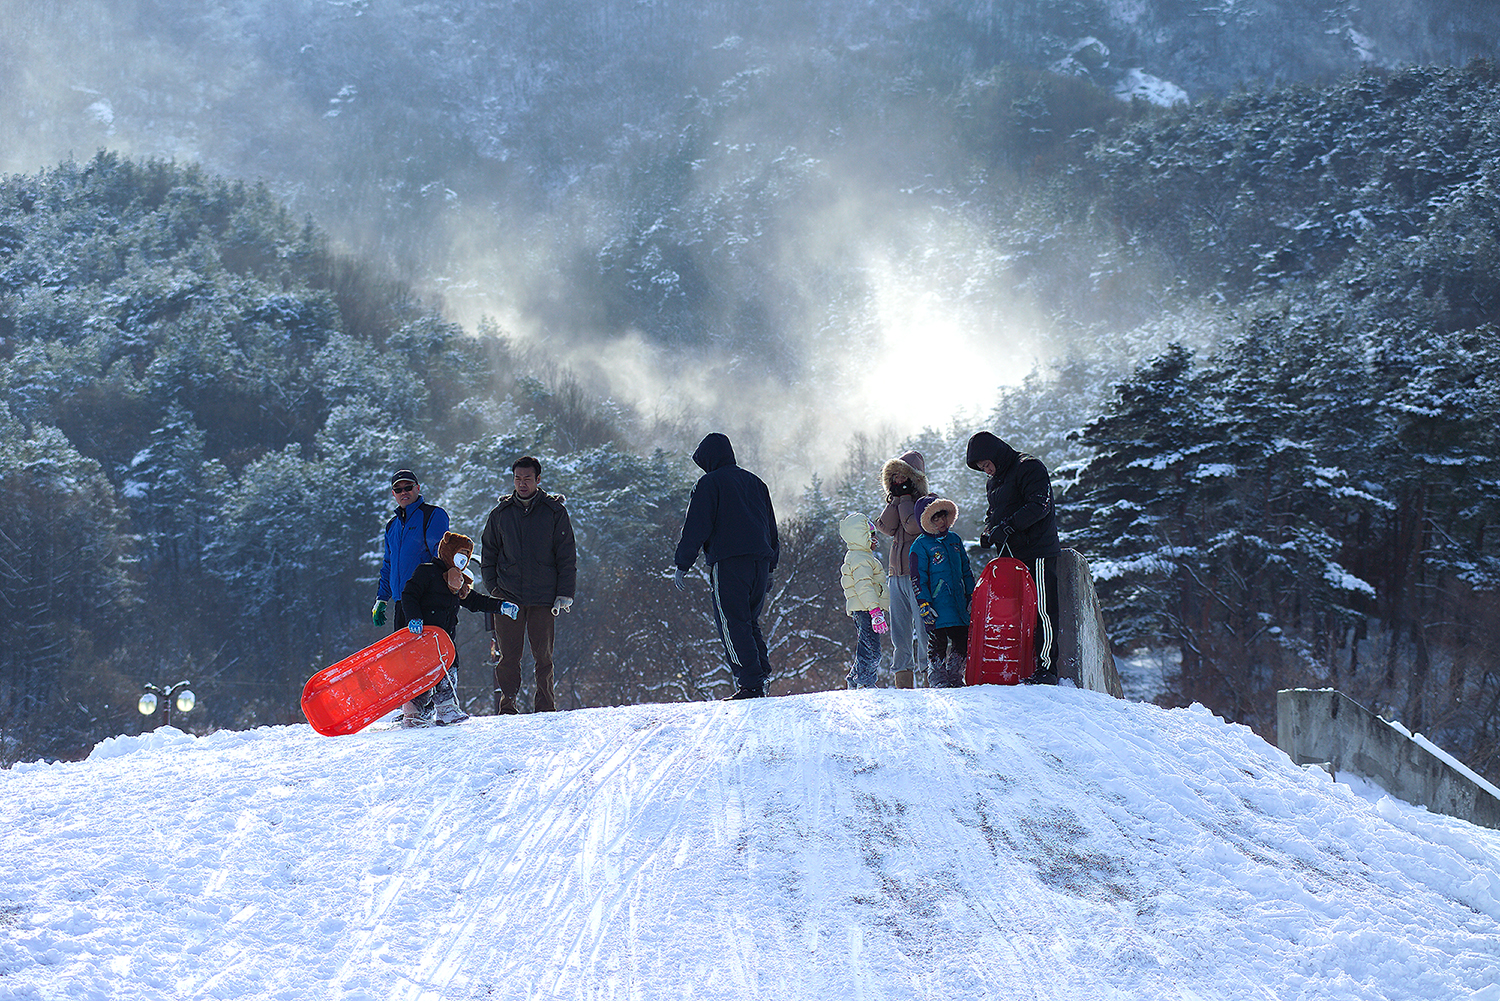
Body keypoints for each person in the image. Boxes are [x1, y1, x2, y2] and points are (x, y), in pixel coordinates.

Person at [673, 433, 779, 699]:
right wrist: (770, 567)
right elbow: (771, 527)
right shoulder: (756, 483)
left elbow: (696, 525)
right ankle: (761, 676)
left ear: (710, 458)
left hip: (730, 563)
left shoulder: (709, 484)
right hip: (760, 563)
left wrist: (682, 563)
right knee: (749, 621)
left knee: (732, 623)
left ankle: (750, 683)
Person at [480, 456, 578, 714]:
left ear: (538, 479)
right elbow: (488, 554)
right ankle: (507, 706)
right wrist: (494, 589)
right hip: (507, 596)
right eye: (517, 479)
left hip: (544, 597)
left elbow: (566, 555)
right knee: (508, 657)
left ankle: (545, 706)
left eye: (527, 479)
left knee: (543, 657)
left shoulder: (554, 512)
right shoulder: (500, 514)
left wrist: (564, 593)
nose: (522, 484)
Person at [965, 431, 1062, 684]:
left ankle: (1047, 668)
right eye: (982, 468)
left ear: (996, 455)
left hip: (1037, 550)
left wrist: (1008, 527)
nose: (987, 471)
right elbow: (993, 513)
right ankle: (1021, 664)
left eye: (987, 464)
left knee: (1043, 610)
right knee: (1016, 612)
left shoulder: (1029, 467)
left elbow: (1039, 505)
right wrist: (988, 531)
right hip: (1011, 555)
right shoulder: (994, 481)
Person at [399, 532, 518, 726]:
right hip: (424, 637)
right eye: (459, 555)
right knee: (424, 674)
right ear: (448, 551)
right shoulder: (427, 572)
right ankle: (414, 712)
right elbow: (409, 594)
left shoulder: (457, 583)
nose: (463, 561)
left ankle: (446, 709)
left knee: (449, 670)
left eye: (466, 558)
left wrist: (501, 606)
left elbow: (475, 601)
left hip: (445, 640)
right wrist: (414, 617)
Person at [875, 450, 936, 689]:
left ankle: (931, 676)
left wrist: (906, 499)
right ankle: (903, 680)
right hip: (895, 575)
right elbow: (885, 527)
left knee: (924, 629)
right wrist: (896, 500)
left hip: (918, 576)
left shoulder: (927, 503)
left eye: (903, 476)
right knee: (899, 633)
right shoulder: (898, 502)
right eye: (894, 477)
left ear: (915, 478)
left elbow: (912, 526)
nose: (899, 480)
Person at [909, 496, 976, 688]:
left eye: (943, 517)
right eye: (935, 519)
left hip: (958, 603)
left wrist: (972, 595)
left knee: (962, 639)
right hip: (936, 604)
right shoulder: (920, 546)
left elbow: (966, 570)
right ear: (926, 522)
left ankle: (955, 675)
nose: (941, 522)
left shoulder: (955, 540)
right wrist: (924, 603)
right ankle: (937, 676)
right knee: (938, 642)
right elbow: (918, 578)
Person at [372, 469, 450, 633]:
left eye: (408, 487)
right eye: (398, 489)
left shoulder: (432, 515)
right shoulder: (392, 526)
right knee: (404, 650)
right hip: (402, 603)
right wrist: (382, 598)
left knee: (431, 649)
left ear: (418, 488)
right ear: (393, 493)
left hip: (427, 601)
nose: (404, 492)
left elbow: (441, 556)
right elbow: (388, 565)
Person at [839, 513, 889, 690]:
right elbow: (864, 586)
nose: (876, 539)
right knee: (872, 650)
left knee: (866, 645)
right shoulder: (861, 559)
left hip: (864, 608)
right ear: (861, 537)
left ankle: (855, 679)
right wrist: (875, 611)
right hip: (866, 609)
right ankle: (864, 682)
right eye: (871, 535)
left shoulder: (858, 556)